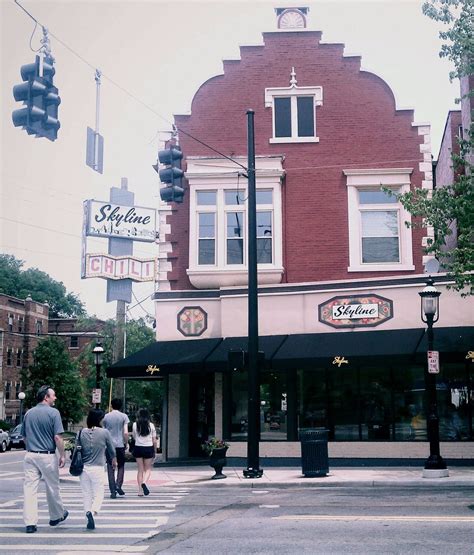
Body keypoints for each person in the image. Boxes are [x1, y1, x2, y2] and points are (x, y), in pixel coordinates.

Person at [22, 385, 69, 534]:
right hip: (47, 455)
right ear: (46, 397)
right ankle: (56, 516)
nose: (55, 398)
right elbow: (57, 437)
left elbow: (24, 436)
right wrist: (62, 455)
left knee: (30, 490)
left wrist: (31, 446)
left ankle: (30, 523)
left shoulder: (28, 413)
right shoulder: (54, 413)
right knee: (52, 487)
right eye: (53, 395)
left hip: (30, 455)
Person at [77, 408, 117, 530]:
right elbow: (111, 449)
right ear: (99, 419)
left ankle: (87, 512)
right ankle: (93, 511)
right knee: (99, 492)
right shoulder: (104, 433)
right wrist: (114, 459)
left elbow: (76, 450)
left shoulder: (81, 432)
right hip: (98, 467)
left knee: (87, 493)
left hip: (83, 468)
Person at [103, 398, 129, 498]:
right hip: (120, 445)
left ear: (111, 405)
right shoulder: (124, 416)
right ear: (121, 406)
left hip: (109, 445)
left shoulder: (106, 417)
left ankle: (112, 490)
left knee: (110, 466)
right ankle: (118, 485)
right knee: (121, 465)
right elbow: (126, 432)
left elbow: (104, 431)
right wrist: (126, 443)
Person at [132, 408, 157, 496]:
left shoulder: (135, 425)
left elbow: (134, 437)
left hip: (138, 447)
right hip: (148, 448)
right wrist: (155, 450)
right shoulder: (151, 425)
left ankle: (139, 491)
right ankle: (144, 483)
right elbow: (154, 440)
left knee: (140, 470)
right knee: (148, 469)